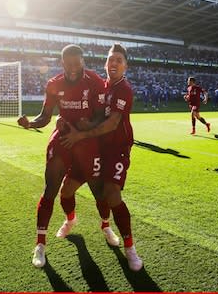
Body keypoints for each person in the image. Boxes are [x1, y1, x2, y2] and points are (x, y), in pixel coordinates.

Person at [17, 44, 109, 268]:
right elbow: (45, 116)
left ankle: (106, 226)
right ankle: (40, 245)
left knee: (99, 190)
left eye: (77, 64)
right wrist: (30, 124)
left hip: (87, 141)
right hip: (64, 140)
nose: (73, 68)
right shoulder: (54, 84)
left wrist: (85, 129)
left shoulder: (95, 81)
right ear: (62, 64)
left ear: (83, 62)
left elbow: (100, 116)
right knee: (50, 190)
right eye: (69, 64)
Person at [60, 43, 143, 271]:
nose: (113, 62)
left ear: (125, 66)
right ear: (105, 64)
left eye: (118, 60)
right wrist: (84, 124)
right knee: (69, 189)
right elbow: (97, 117)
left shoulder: (123, 88)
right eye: (110, 59)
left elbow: (113, 123)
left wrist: (81, 134)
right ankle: (80, 221)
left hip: (117, 149)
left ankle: (130, 248)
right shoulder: (102, 87)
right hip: (94, 148)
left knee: (111, 193)